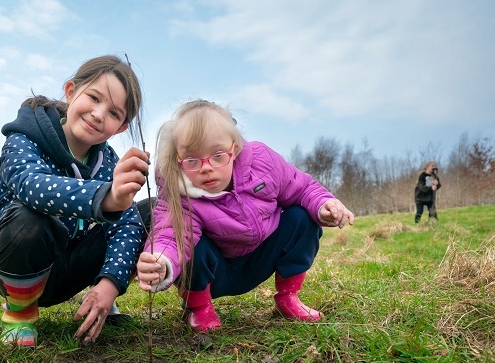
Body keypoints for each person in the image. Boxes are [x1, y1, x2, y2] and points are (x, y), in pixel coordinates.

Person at [135, 100, 354, 334]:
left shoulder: (262, 163)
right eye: (192, 161)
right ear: (179, 159)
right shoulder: (179, 191)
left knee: (302, 217)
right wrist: (160, 261)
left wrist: (324, 204)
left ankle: (288, 297)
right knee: (187, 241)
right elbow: (170, 235)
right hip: (217, 272)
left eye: (218, 155)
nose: (206, 168)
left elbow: (300, 188)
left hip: (261, 258)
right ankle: (198, 307)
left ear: (235, 148)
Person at [0, 55, 151, 347]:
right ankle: (19, 312)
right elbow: (30, 186)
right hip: (18, 263)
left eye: (113, 113)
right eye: (94, 98)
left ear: (120, 128)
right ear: (71, 91)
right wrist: (105, 196)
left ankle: (99, 300)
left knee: (150, 212)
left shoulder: (109, 162)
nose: (98, 114)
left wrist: (109, 283)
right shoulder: (24, 138)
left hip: (71, 269)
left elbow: (127, 225)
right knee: (29, 217)